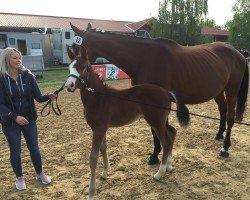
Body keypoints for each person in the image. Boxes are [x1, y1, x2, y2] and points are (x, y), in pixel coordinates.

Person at [0, 48, 57, 190]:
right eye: (15, 58)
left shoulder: (28, 76)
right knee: (15, 151)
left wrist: (47, 96)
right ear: (7, 60)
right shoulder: (1, 79)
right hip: (10, 122)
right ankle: (19, 178)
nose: (19, 60)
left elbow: (38, 97)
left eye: (19, 58)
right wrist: (15, 117)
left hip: (29, 119)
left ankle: (40, 173)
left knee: (34, 148)